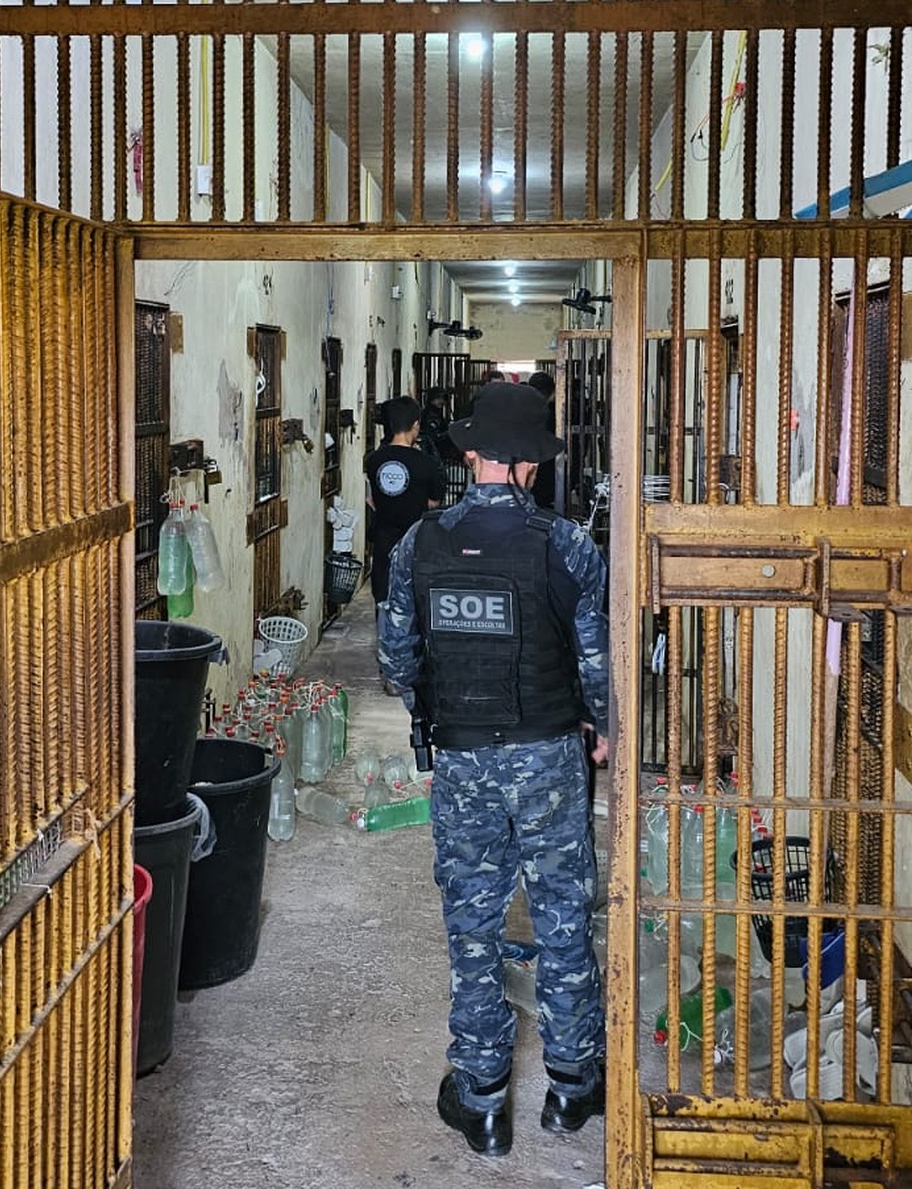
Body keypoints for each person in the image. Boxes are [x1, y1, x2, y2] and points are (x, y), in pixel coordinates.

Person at [377, 382, 609, 1158]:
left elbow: (394, 658)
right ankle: (572, 1090)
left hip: (465, 756)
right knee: (563, 917)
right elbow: (597, 663)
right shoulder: (567, 544)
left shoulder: (422, 544)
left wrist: (433, 703)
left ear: (472, 457)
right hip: (548, 755)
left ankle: (480, 1101)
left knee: (473, 927)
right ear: (531, 467)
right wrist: (599, 727)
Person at [365, 395, 445, 608]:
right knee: (414, 600)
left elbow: (371, 499)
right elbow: (434, 502)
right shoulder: (425, 463)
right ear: (416, 425)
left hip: (383, 539)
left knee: (383, 598)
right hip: (415, 541)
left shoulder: (373, 460)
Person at [527, 370, 558, 510]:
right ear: (552, 392)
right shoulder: (552, 414)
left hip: (527, 466)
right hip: (548, 465)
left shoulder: (522, 410)